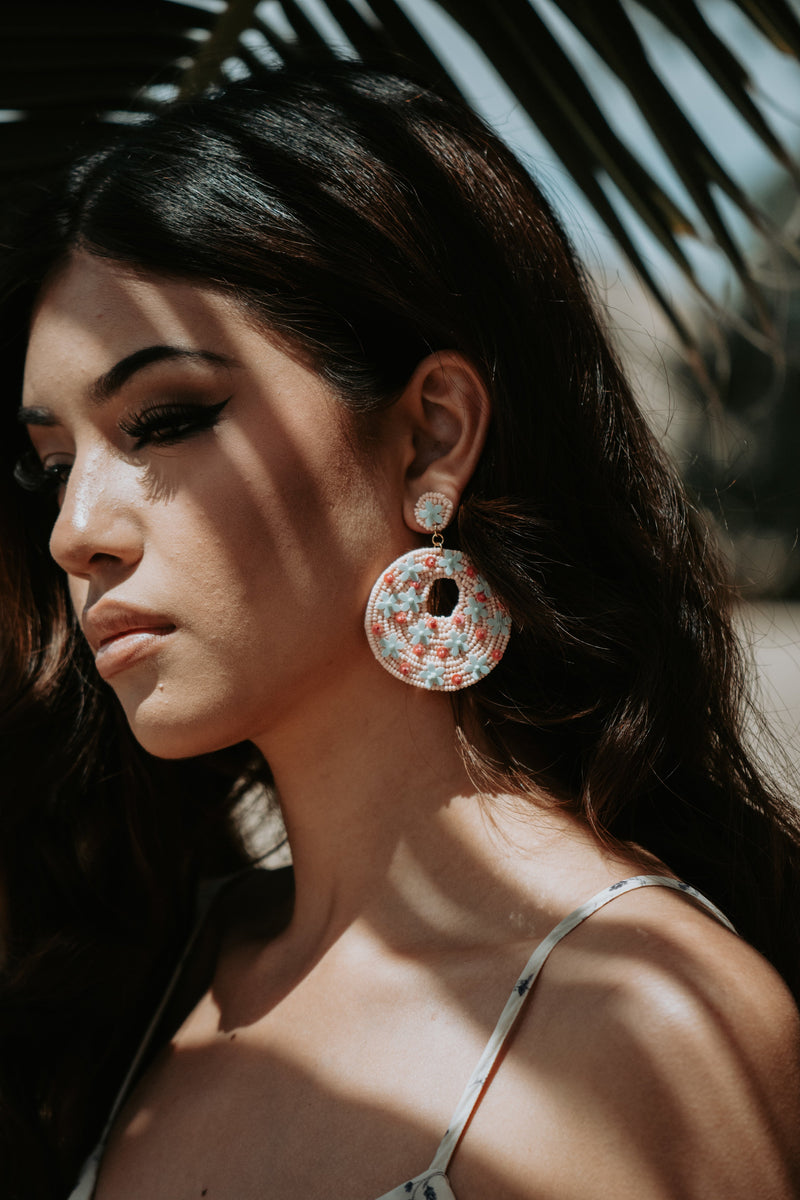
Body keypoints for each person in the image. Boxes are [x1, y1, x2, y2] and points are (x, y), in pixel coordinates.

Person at [1, 62, 799, 1200]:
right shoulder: (137, 982)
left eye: (167, 420)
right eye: (52, 468)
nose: (77, 532)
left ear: (429, 436)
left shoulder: (638, 1028)